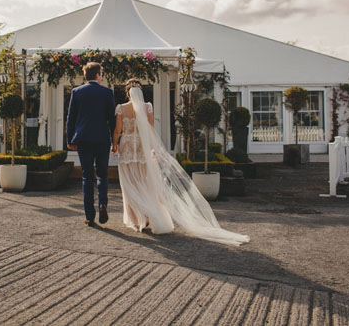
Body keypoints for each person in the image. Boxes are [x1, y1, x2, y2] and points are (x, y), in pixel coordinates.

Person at [111, 79, 249, 246]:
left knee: (130, 183)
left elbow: (118, 131)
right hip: (142, 149)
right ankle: (149, 215)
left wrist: (114, 145)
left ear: (127, 92)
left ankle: (135, 219)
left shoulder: (121, 108)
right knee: (145, 182)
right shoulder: (147, 106)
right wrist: (153, 149)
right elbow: (150, 129)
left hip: (127, 150)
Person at [67, 62, 116, 227]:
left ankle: (89, 215)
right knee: (102, 174)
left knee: (87, 177)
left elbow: (71, 118)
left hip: (84, 140)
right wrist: (115, 140)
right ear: (97, 75)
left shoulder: (76, 92)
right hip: (102, 139)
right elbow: (112, 119)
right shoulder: (107, 92)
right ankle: (103, 203)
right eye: (101, 74)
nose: (101, 77)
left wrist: (69, 140)